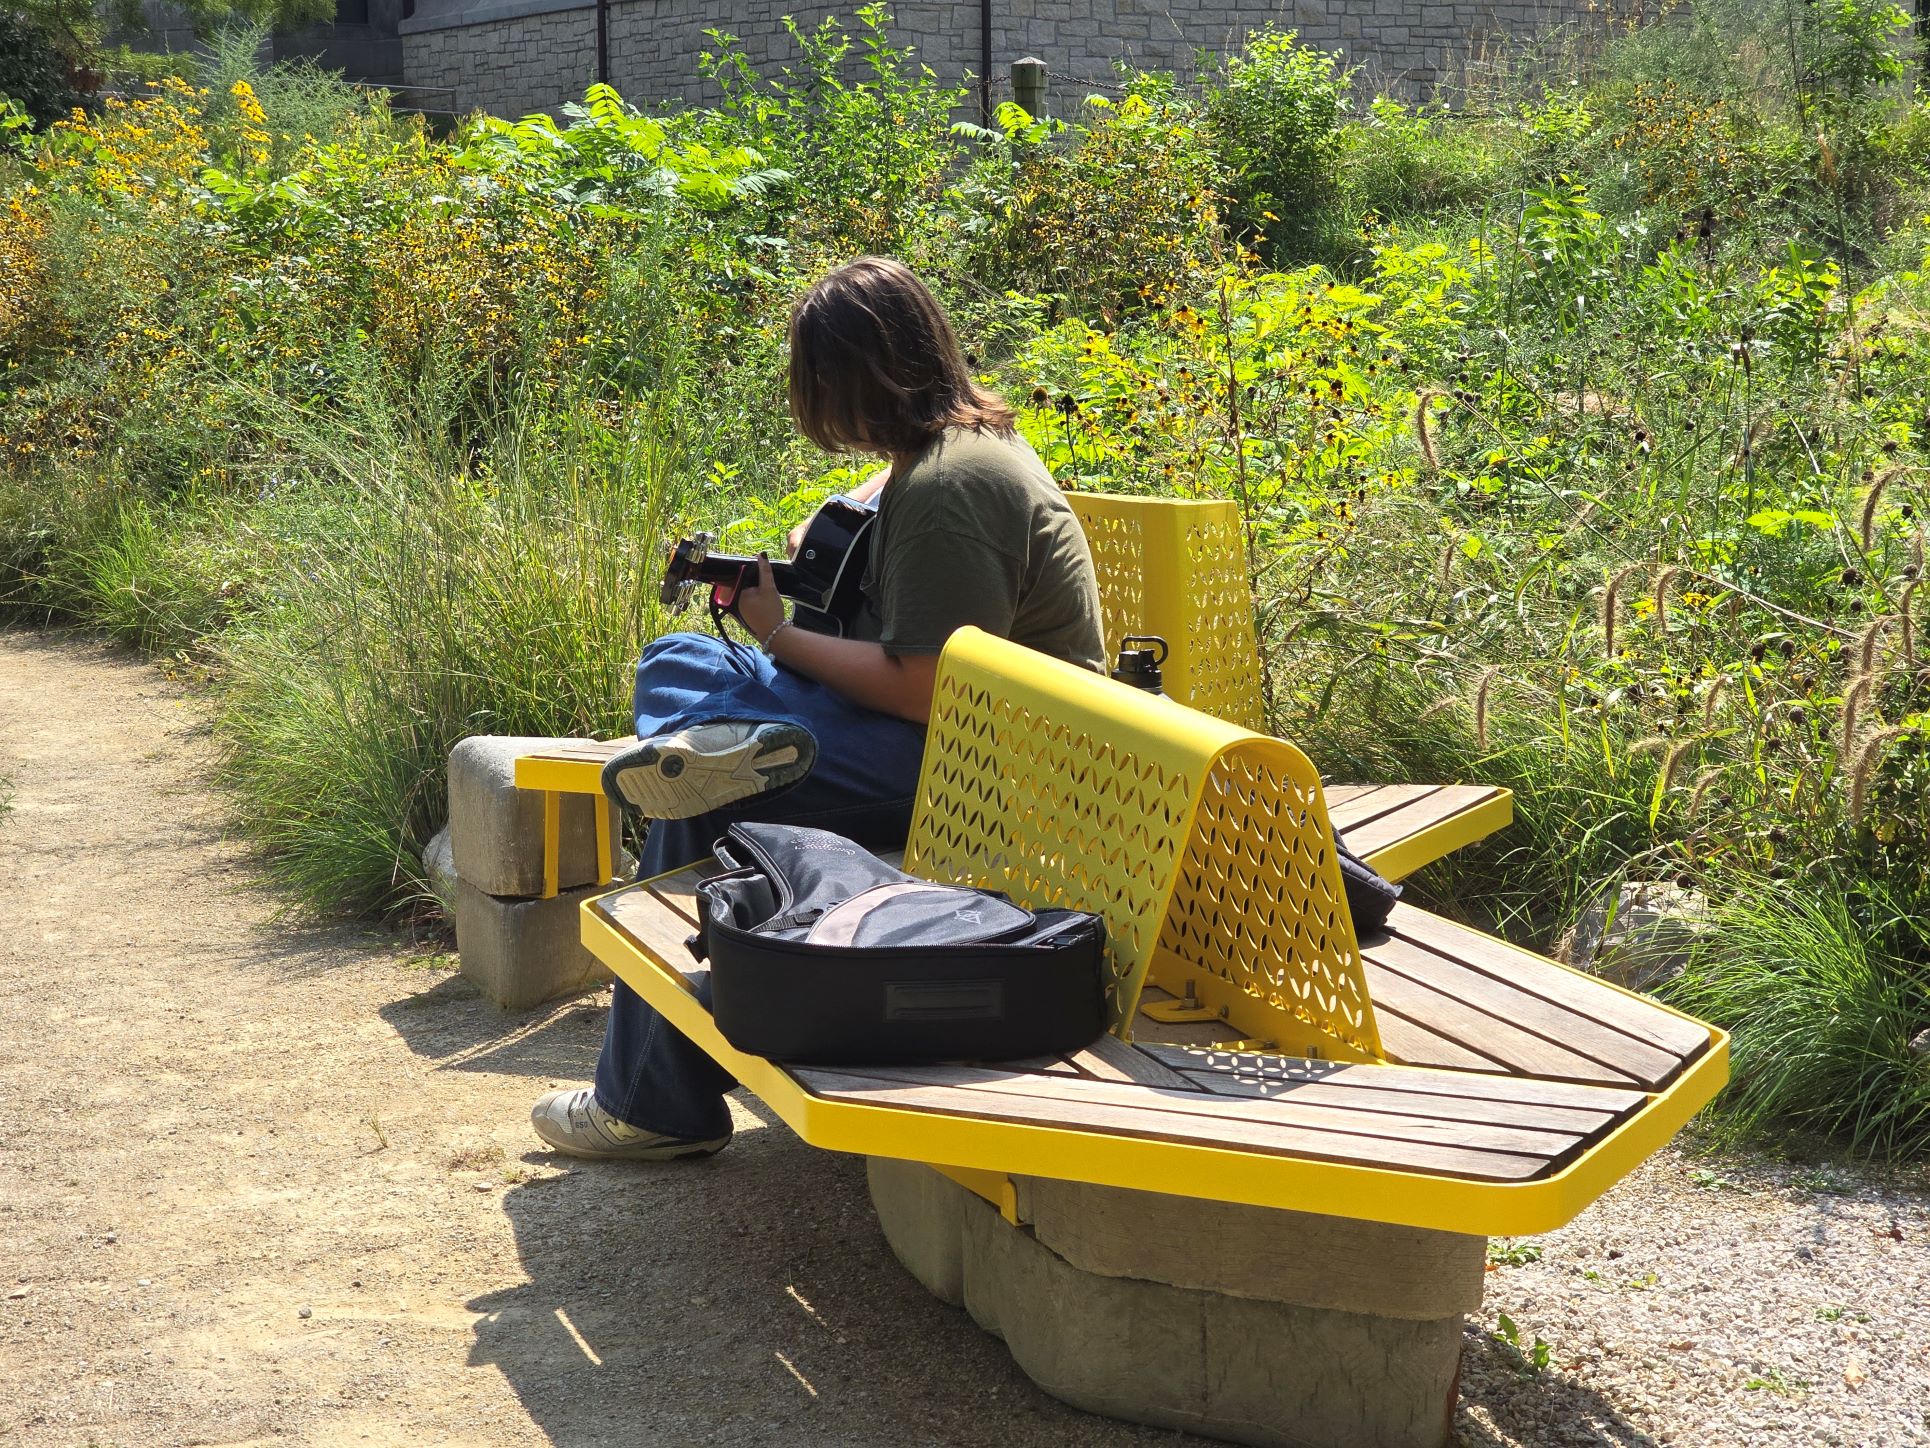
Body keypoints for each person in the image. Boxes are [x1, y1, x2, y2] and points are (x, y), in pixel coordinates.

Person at [529, 255, 1107, 1160]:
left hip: (987, 768)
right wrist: (824, 546)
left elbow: (928, 689)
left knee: (706, 780)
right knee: (682, 689)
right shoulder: (943, 458)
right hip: (961, 740)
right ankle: (655, 1089)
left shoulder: (949, 490)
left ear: (851, 378)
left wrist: (780, 637)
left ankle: (652, 1100)